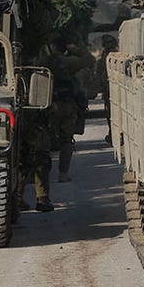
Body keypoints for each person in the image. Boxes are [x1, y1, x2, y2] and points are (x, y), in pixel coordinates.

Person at [45, 35, 94, 183]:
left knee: (44, 142)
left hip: (47, 105)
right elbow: (89, 60)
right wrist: (76, 50)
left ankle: (38, 177)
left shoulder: (44, 62)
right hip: (67, 104)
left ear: (52, 47)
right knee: (66, 141)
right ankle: (63, 174)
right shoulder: (70, 62)